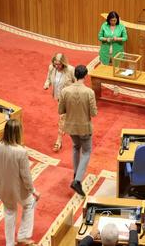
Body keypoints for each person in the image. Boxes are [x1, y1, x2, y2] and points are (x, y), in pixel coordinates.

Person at [0, 119, 40, 246]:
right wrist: (33, 191)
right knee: (30, 204)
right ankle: (23, 235)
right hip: (18, 190)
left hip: (2, 188)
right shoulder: (21, 152)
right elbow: (26, 176)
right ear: (18, 133)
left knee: (9, 212)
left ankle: (10, 243)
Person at [59, 65, 97, 197]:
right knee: (86, 152)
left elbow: (60, 110)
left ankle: (76, 172)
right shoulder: (89, 92)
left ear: (75, 75)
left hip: (70, 127)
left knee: (76, 147)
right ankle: (77, 180)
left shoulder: (65, 91)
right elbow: (94, 113)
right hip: (84, 127)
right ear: (85, 76)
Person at [43, 53, 75, 152]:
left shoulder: (70, 70)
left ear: (63, 63)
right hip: (58, 97)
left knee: (62, 118)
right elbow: (48, 78)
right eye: (55, 64)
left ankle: (59, 140)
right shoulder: (51, 68)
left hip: (68, 98)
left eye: (59, 64)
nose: (57, 66)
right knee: (65, 117)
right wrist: (47, 84)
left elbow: (77, 82)